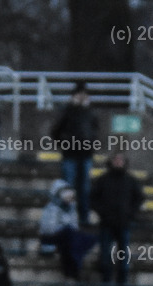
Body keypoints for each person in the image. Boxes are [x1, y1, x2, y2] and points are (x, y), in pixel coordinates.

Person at [91, 153, 144, 286]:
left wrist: (130, 214)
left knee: (123, 254)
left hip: (124, 222)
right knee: (105, 253)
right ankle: (106, 278)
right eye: (116, 160)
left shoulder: (130, 180)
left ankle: (122, 280)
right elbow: (92, 198)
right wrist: (102, 212)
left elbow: (139, 198)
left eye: (121, 160)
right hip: (107, 222)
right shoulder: (102, 180)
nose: (118, 162)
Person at [50, 81, 98, 226]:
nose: (82, 97)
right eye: (80, 93)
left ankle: (84, 218)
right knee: (68, 188)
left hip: (85, 155)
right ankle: (66, 217)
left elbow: (95, 131)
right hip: (70, 154)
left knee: (84, 188)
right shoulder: (67, 111)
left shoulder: (90, 112)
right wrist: (64, 143)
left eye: (84, 94)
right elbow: (55, 131)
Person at [39, 179, 95, 280]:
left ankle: (75, 266)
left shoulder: (71, 209)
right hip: (51, 238)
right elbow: (48, 229)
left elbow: (75, 226)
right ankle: (73, 269)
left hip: (67, 237)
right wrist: (64, 228)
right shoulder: (52, 208)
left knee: (86, 238)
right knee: (69, 236)